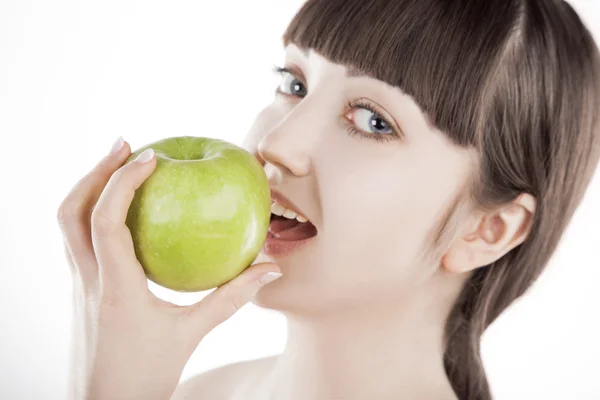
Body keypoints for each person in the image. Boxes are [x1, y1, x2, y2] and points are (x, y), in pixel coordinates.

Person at [58, 0, 600, 399]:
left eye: (372, 120)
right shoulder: (190, 393)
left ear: (488, 230)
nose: (276, 144)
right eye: (294, 83)